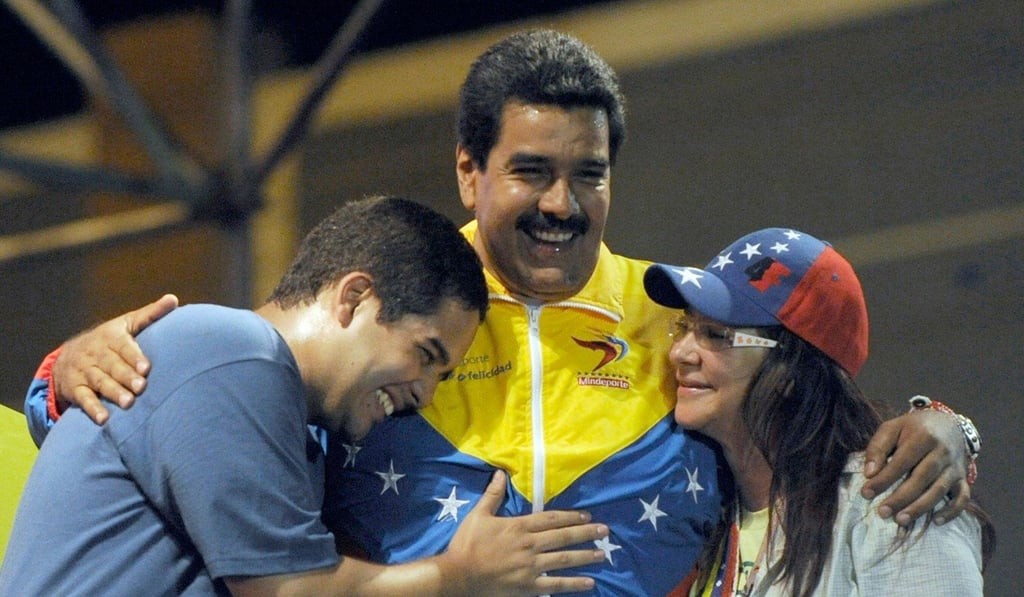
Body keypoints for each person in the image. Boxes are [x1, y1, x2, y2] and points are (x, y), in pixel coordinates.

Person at [24, 31, 978, 595]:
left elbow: (813, 418)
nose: (561, 203)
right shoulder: (392, 316)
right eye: (531, 171)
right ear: (469, 170)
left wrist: (945, 427)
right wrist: (59, 375)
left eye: (588, 175)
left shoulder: (677, 325)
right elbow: (207, 409)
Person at [1, 196, 609, 597]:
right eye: (425, 355)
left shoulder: (301, 430)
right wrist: (458, 576)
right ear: (353, 297)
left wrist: (54, 377)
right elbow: (285, 591)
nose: (424, 394)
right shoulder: (232, 350)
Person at [644, 227, 993, 596]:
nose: (680, 353)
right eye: (685, 327)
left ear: (791, 369)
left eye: (715, 335)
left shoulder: (898, 499)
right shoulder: (698, 513)